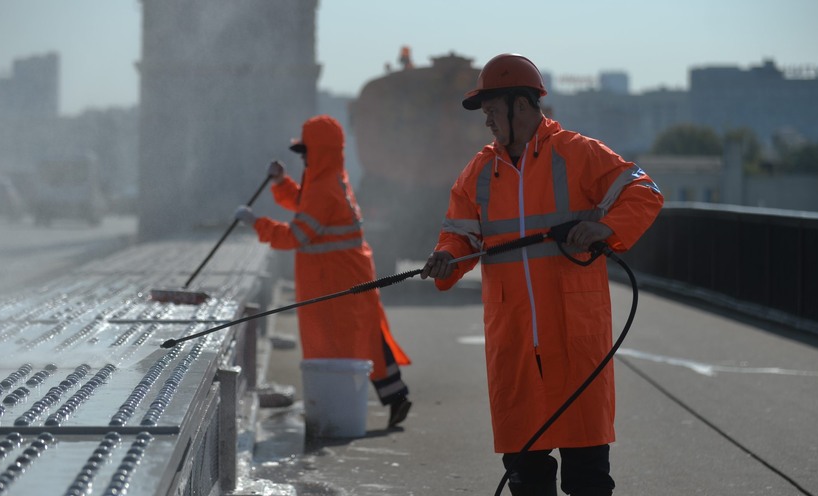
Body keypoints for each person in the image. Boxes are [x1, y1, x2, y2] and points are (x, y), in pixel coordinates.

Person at [420, 54, 663, 495]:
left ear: (521, 106)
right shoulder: (477, 174)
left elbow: (645, 191)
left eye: (493, 111)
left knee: (588, 479)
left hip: (575, 343)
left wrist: (605, 227)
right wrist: (445, 257)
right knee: (527, 480)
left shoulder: (578, 153)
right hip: (513, 347)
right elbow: (458, 236)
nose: (488, 122)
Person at [235, 114, 413, 428]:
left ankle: (353, 405)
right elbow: (305, 204)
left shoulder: (324, 187)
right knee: (365, 338)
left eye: (306, 151)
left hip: (335, 282)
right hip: (346, 275)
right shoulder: (330, 179)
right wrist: (280, 183)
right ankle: (395, 397)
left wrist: (256, 224)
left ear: (320, 152)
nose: (303, 157)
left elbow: (295, 236)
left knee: (341, 347)